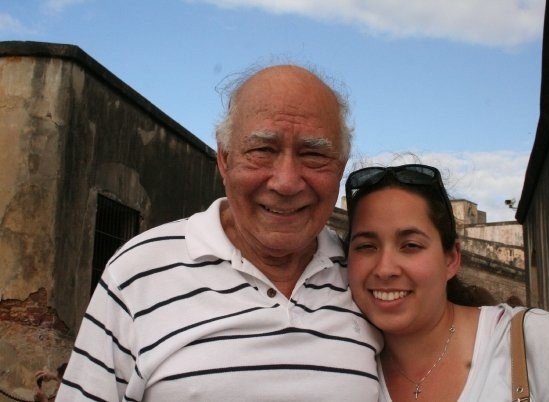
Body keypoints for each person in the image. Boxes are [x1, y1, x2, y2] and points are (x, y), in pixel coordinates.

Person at [56, 65, 382, 401]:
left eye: (313, 154)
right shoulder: (137, 271)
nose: (286, 182)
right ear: (224, 159)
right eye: (262, 150)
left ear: (340, 167)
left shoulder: (370, 280)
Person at [344, 163, 549, 401]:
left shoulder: (528, 340)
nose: (385, 268)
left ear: (451, 259)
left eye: (411, 245)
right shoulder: (338, 366)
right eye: (366, 246)